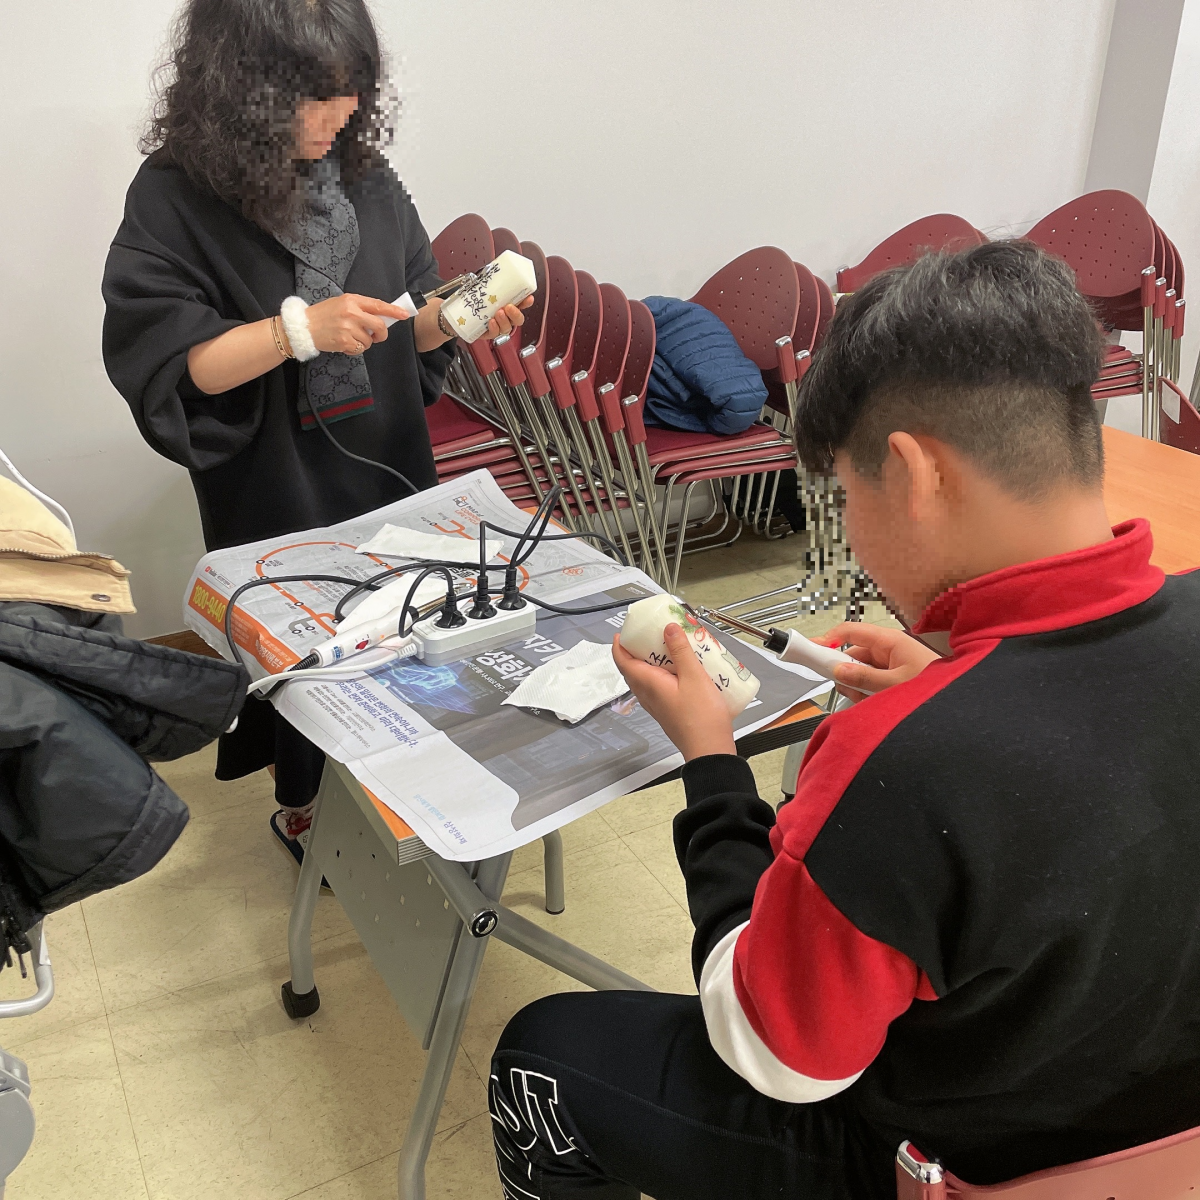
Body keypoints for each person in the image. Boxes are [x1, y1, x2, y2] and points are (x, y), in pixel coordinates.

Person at [488, 241, 1200, 1199]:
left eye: (846, 492)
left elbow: (774, 1055)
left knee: (540, 1054)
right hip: (1162, 1138)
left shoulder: (898, 764)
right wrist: (956, 680)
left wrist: (713, 765)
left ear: (912, 473)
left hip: (957, 1166)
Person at [102, 0, 528, 861]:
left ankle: (403, 790)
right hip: (273, 477)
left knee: (403, 632)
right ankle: (304, 809)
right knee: (306, 658)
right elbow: (173, 362)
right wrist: (295, 332)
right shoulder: (175, 195)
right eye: (320, 95)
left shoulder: (366, 177)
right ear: (245, 93)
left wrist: (459, 316)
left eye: (355, 89)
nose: (346, 113)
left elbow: (407, 323)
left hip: (386, 453)